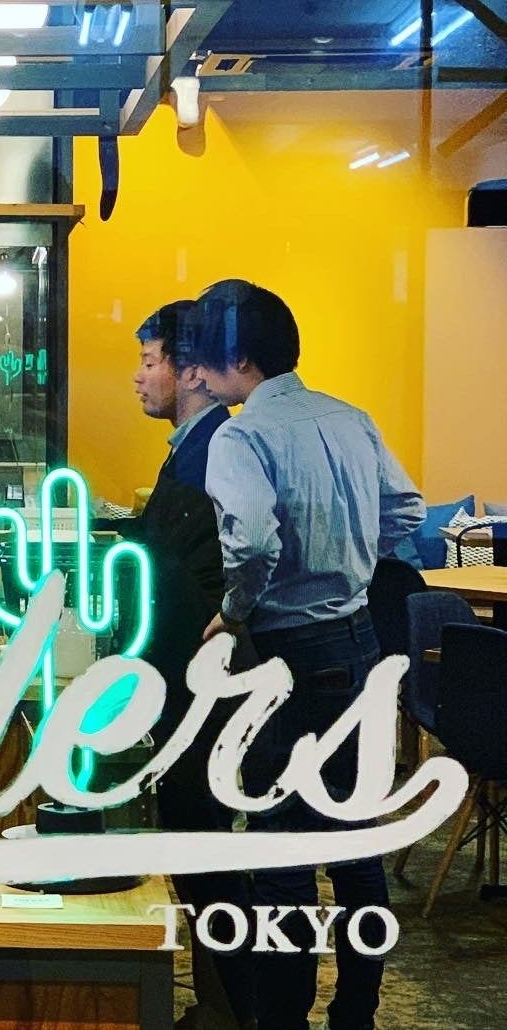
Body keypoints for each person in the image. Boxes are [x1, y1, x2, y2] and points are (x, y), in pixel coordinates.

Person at [182, 280, 424, 1030]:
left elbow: (253, 543)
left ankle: (283, 1019)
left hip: (284, 653)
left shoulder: (240, 437)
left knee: (281, 846)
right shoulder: (350, 417)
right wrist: (350, 562)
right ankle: (356, 1015)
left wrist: (234, 610)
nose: (197, 373)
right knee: (355, 839)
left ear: (238, 360)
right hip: (358, 642)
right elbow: (407, 509)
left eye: (204, 357)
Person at [128, 302, 254, 1030]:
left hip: (202, 685)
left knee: (205, 849)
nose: (139, 377)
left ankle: (232, 1008)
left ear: (193, 372)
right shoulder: (189, 448)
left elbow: (215, 574)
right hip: (183, 680)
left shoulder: (215, 451)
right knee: (197, 846)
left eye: (150, 362)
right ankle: (222, 1004)